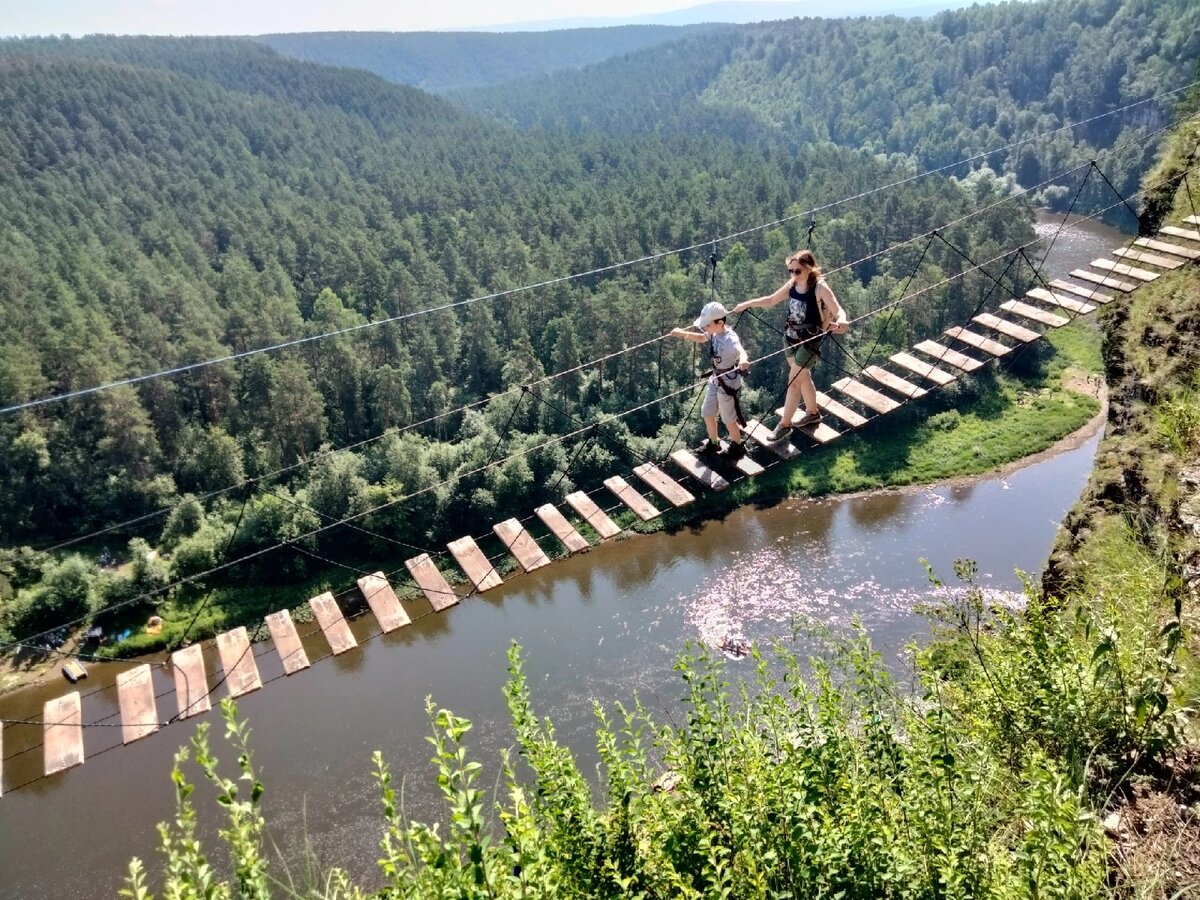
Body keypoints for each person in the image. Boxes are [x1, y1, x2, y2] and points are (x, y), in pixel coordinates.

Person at [733, 249, 848, 440]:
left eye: (797, 271)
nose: (793, 274)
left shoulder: (820, 288)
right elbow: (771, 300)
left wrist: (842, 322)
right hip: (790, 336)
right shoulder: (793, 284)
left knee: (793, 383)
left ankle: (784, 425)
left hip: (810, 341)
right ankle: (813, 414)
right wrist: (747, 304)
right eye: (791, 270)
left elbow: (839, 311)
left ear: (810, 269)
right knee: (802, 378)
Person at [668, 300, 750, 459]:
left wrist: (744, 360)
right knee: (707, 411)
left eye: (707, 325)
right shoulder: (713, 332)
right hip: (716, 378)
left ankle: (737, 446)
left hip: (728, 381)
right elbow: (700, 338)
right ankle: (714, 442)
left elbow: (741, 350)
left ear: (720, 322)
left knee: (728, 418)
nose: (705, 328)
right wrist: (682, 333)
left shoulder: (730, 338)